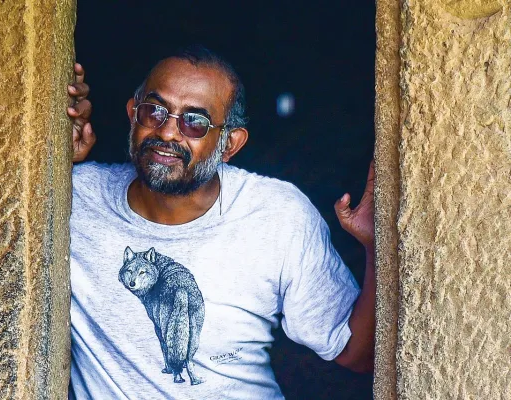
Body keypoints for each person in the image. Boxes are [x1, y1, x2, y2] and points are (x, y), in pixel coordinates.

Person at [66, 46, 375, 400]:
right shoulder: (76, 198)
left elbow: (357, 354)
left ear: (230, 144)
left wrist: (379, 248)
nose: (167, 133)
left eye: (194, 122)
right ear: (133, 114)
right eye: (154, 111)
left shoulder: (278, 217)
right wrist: (57, 146)